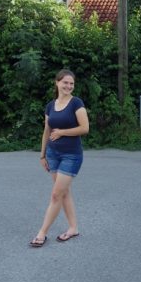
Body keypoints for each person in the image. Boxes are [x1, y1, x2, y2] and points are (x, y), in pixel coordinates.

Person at [30, 69, 89, 247]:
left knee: (56, 195)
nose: (68, 86)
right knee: (64, 193)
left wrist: (62, 132)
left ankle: (42, 233)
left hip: (71, 155)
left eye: (71, 83)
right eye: (65, 82)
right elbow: (46, 131)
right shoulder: (50, 106)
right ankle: (73, 228)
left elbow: (85, 128)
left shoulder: (76, 103)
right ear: (57, 83)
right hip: (52, 154)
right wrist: (42, 155)